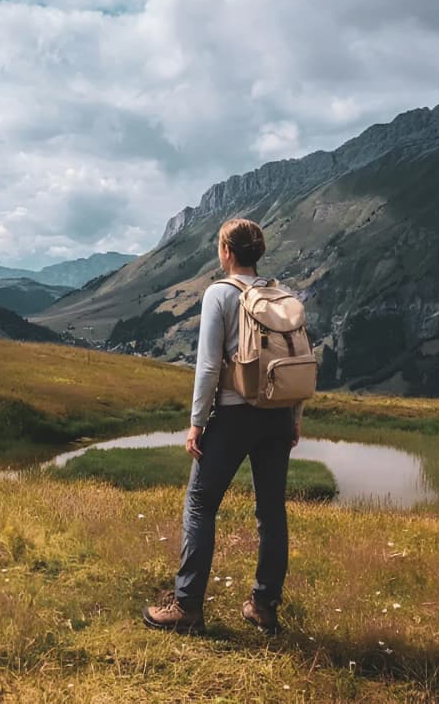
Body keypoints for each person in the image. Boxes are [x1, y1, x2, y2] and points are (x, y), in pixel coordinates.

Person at [142, 217, 303, 635]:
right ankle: (264, 606)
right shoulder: (283, 294)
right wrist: (294, 417)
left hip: (233, 415)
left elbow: (209, 365)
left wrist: (196, 423)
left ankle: (187, 607)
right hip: (278, 414)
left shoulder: (220, 293)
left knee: (200, 504)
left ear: (226, 252)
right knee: (271, 512)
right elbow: (297, 361)